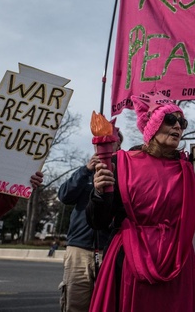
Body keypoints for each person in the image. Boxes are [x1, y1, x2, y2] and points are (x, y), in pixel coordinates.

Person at [86, 92, 195, 312]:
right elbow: (98, 221)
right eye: (170, 120)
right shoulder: (120, 162)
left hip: (177, 262)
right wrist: (99, 194)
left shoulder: (189, 168)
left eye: (182, 122)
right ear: (152, 125)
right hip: (131, 260)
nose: (178, 126)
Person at [57, 130, 122, 312]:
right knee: (74, 303)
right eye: (98, 143)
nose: (102, 146)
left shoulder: (123, 173)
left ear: (118, 146)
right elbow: (64, 196)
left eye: (109, 142)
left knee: (108, 304)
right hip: (78, 248)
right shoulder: (84, 173)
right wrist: (85, 170)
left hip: (108, 249)